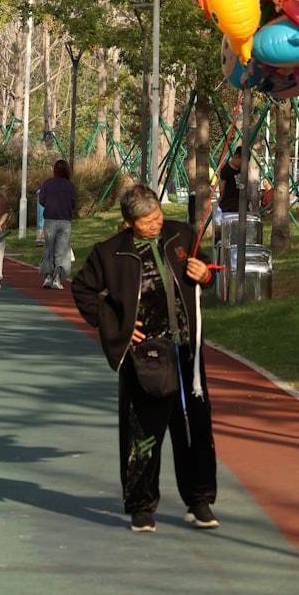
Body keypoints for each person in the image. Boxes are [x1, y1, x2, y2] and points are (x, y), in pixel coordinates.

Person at [71, 182, 217, 533]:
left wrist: (205, 274)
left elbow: (204, 269)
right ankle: (141, 505)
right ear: (128, 222)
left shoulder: (182, 235)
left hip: (186, 351)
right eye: (146, 221)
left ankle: (199, 500)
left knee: (195, 426)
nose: (155, 225)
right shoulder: (110, 253)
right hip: (144, 356)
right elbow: (83, 289)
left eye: (157, 217)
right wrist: (117, 325)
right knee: (143, 432)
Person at [38, 158, 78, 290]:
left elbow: (42, 200)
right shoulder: (70, 185)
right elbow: (74, 202)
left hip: (50, 219)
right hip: (65, 220)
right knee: (62, 250)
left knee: (49, 249)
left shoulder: (47, 183)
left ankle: (47, 276)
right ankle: (57, 277)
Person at [218, 146, 242, 213]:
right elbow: (222, 184)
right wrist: (221, 196)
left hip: (240, 199)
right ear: (236, 157)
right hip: (229, 200)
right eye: (241, 162)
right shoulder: (226, 169)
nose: (242, 164)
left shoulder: (242, 169)